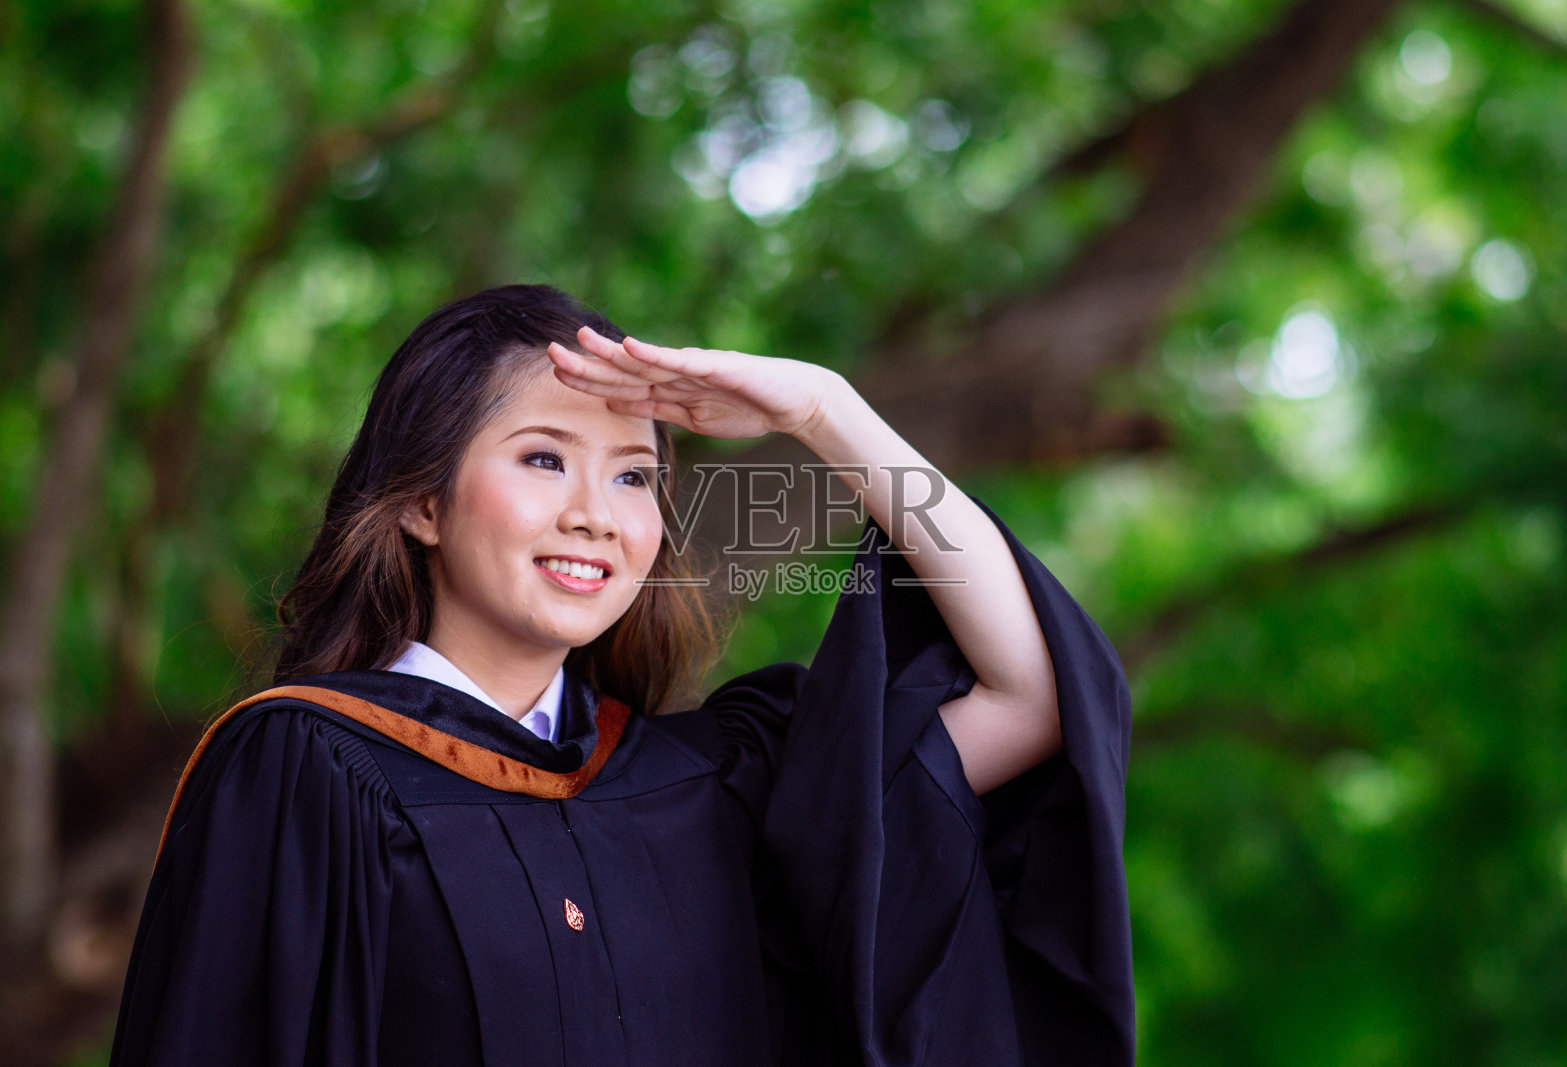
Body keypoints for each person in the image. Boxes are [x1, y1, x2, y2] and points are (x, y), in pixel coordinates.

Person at [110, 284, 1134, 1066]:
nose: (596, 511)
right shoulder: (309, 768)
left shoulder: (715, 788)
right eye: (543, 458)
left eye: (635, 474)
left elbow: (1036, 692)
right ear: (423, 504)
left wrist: (827, 415)